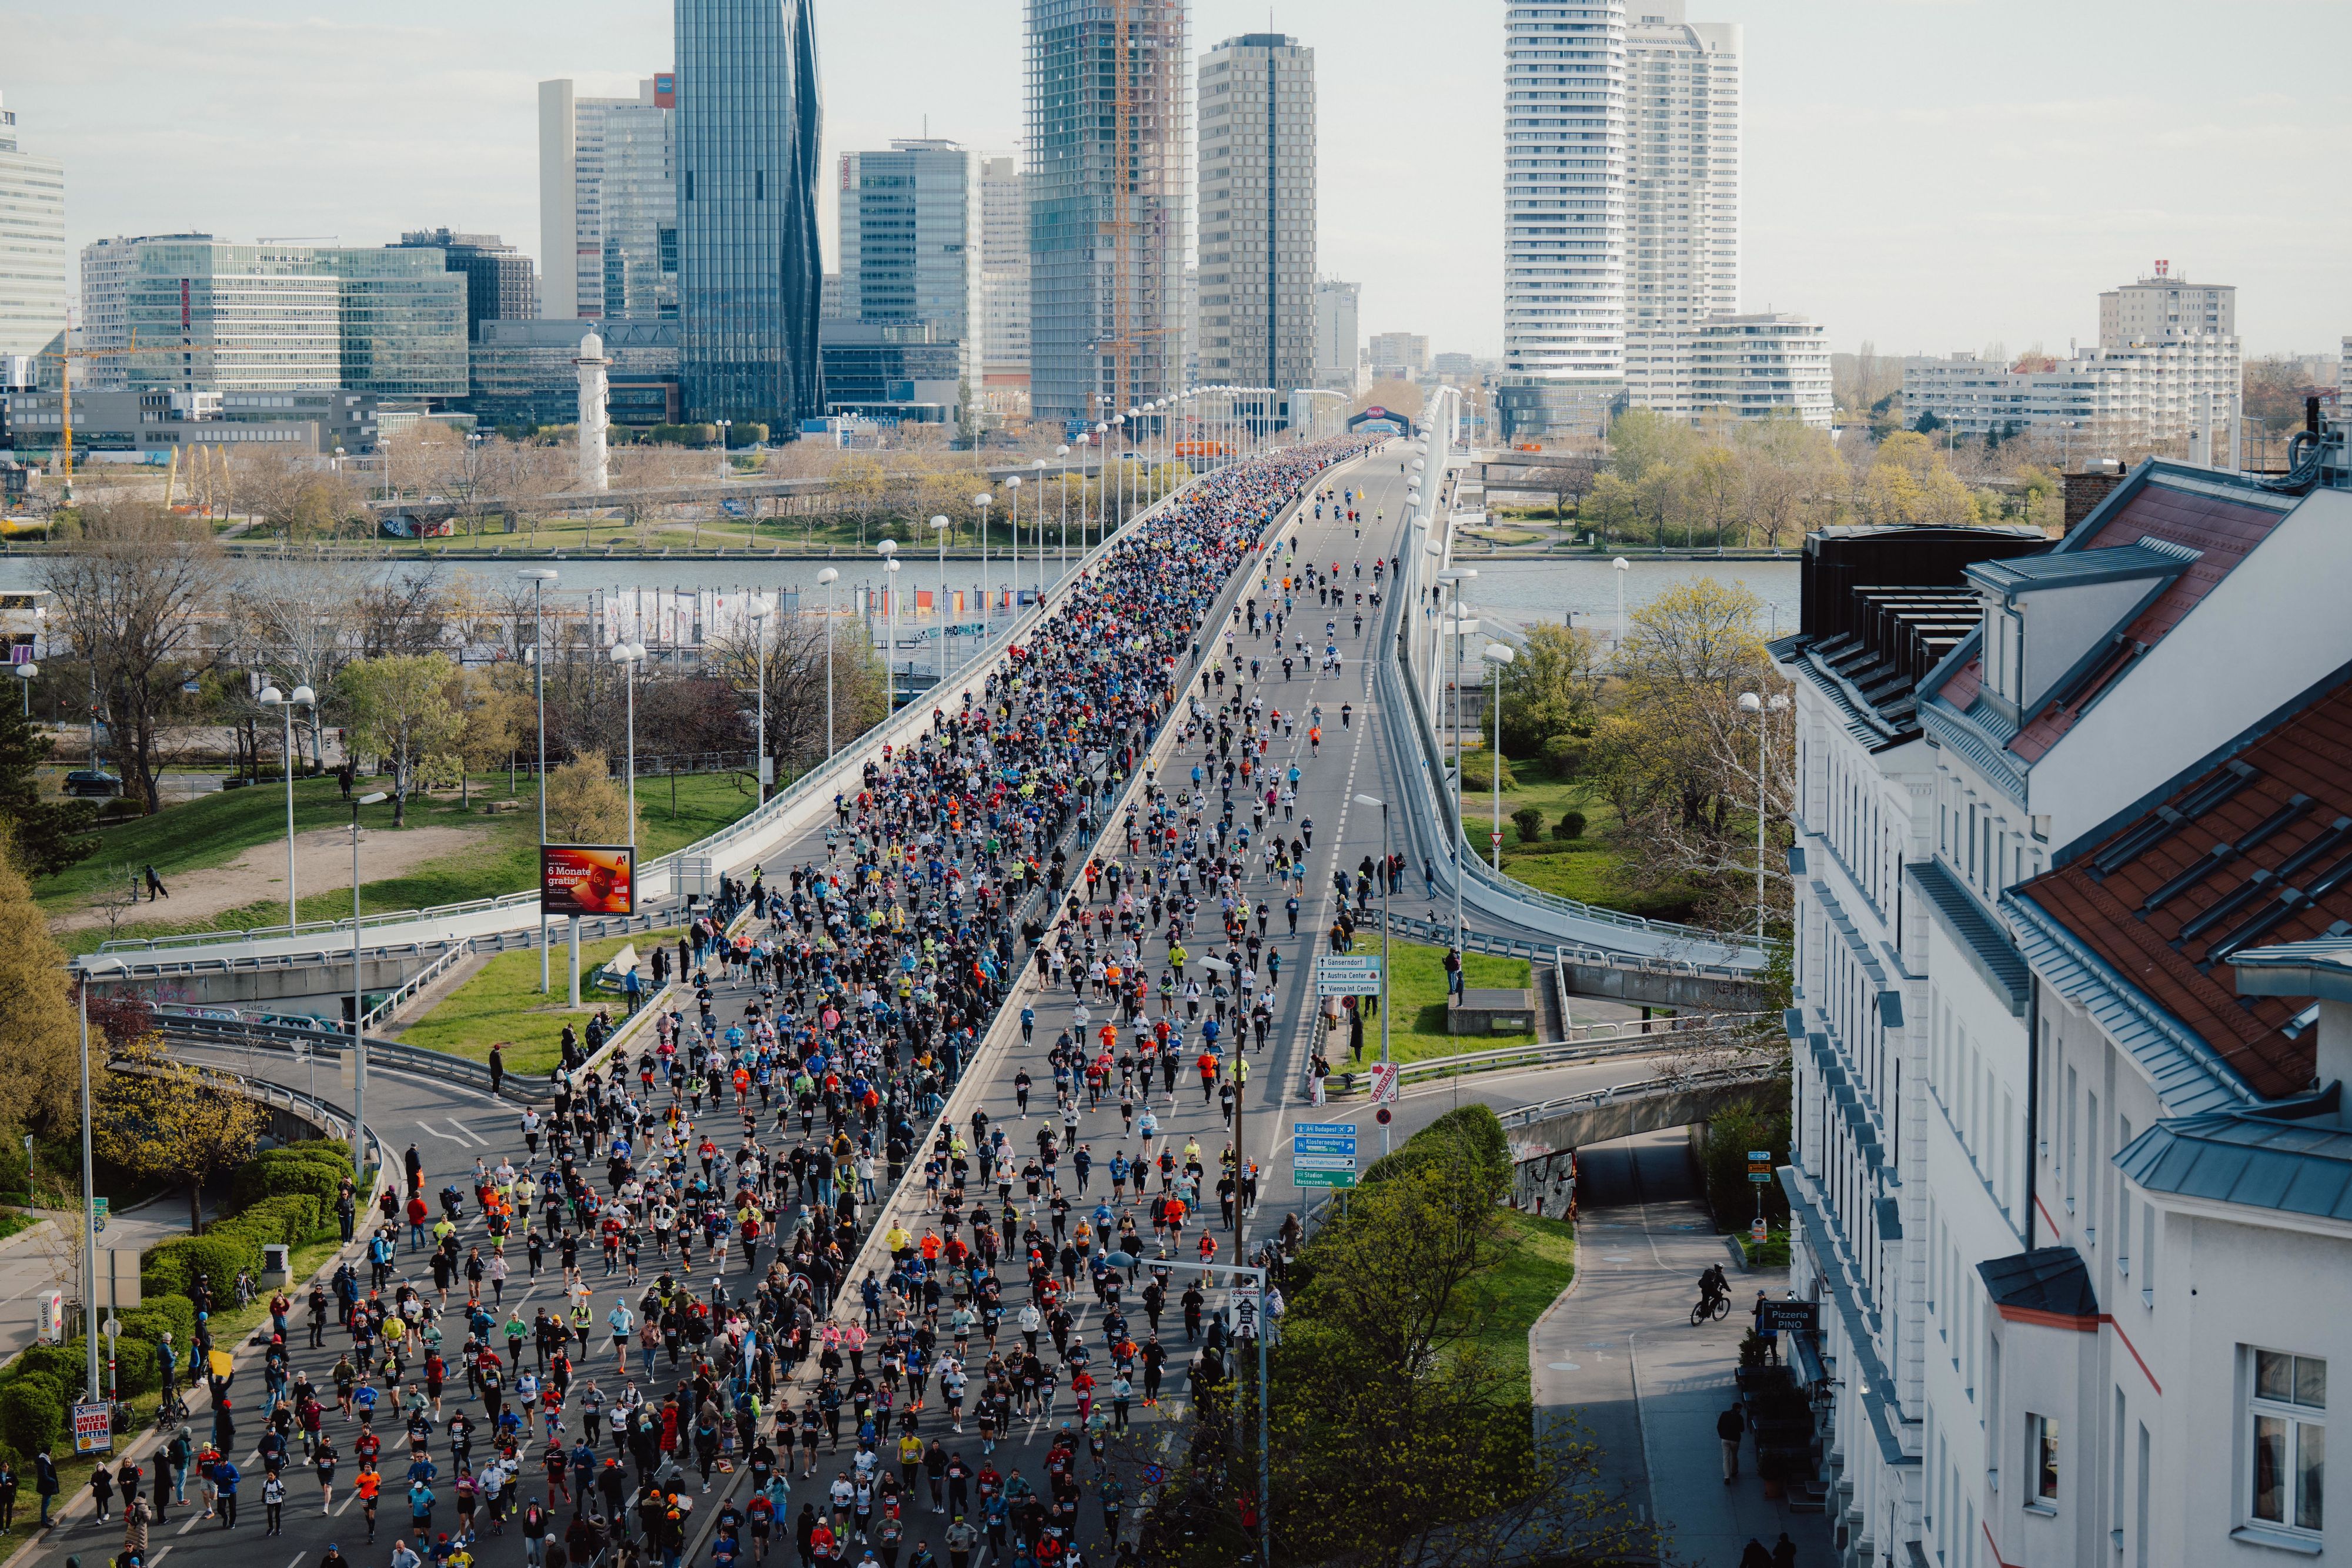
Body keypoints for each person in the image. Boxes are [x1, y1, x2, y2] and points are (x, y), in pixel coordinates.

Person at [1717, 1403, 1746, 1482]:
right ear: (1738, 1409)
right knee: (1734, 1455)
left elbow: (1719, 1426)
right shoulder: (1739, 1417)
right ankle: (1734, 1471)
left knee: (1726, 1458)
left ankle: (1727, 1477)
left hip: (1725, 1439)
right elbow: (1742, 1430)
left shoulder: (1724, 1414)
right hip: (1735, 1440)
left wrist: (1722, 1435)